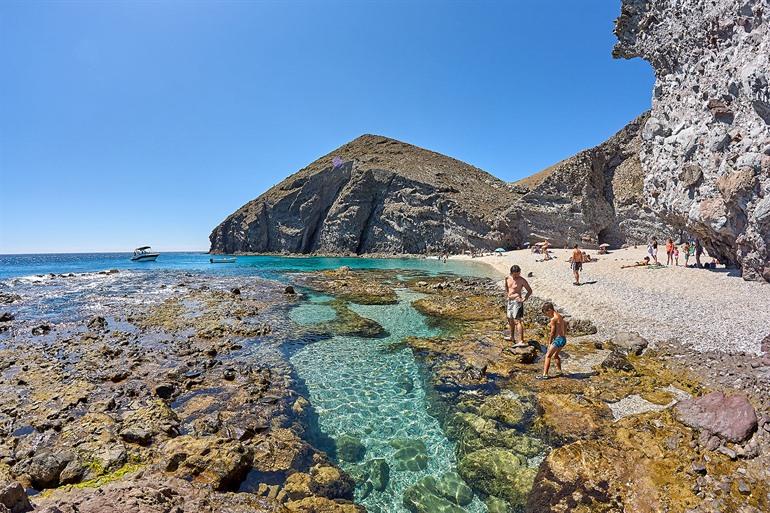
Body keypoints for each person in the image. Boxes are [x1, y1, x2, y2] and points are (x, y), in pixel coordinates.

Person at [504, 265, 532, 347]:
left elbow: (529, 290)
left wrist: (524, 299)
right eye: (515, 275)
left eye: (518, 274)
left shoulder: (522, 280)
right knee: (510, 319)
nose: (516, 276)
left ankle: (521, 341)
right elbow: (507, 287)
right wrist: (507, 295)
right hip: (510, 301)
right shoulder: (507, 278)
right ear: (511, 273)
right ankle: (512, 337)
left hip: (517, 302)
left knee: (517, 321)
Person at [538, 302, 567, 380]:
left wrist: (550, 342)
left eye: (546, 313)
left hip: (558, 340)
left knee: (548, 356)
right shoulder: (559, 316)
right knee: (556, 355)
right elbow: (565, 324)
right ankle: (559, 371)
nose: (547, 315)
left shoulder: (553, 319)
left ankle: (545, 375)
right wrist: (564, 334)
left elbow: (552, 332)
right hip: (563, 339)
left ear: (550, 310)